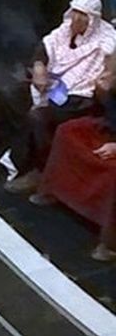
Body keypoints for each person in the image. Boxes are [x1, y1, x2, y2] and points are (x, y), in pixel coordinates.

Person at [0, 0, 115, 192]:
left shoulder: (106, 43)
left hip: (79, 99)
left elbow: (102, 82)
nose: (76, 19)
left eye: (83, 15)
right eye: (74, 12)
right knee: (8, 95)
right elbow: (45, 49)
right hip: (51, 84)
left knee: (38, 117)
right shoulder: (64, 30)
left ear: (93, 19)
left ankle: (34, 171)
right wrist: (39, 67)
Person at [31, 59, 116, 259]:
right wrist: (103, 90)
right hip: (110, 127)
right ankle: (53, 189)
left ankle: (110, 243)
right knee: (67, 131)